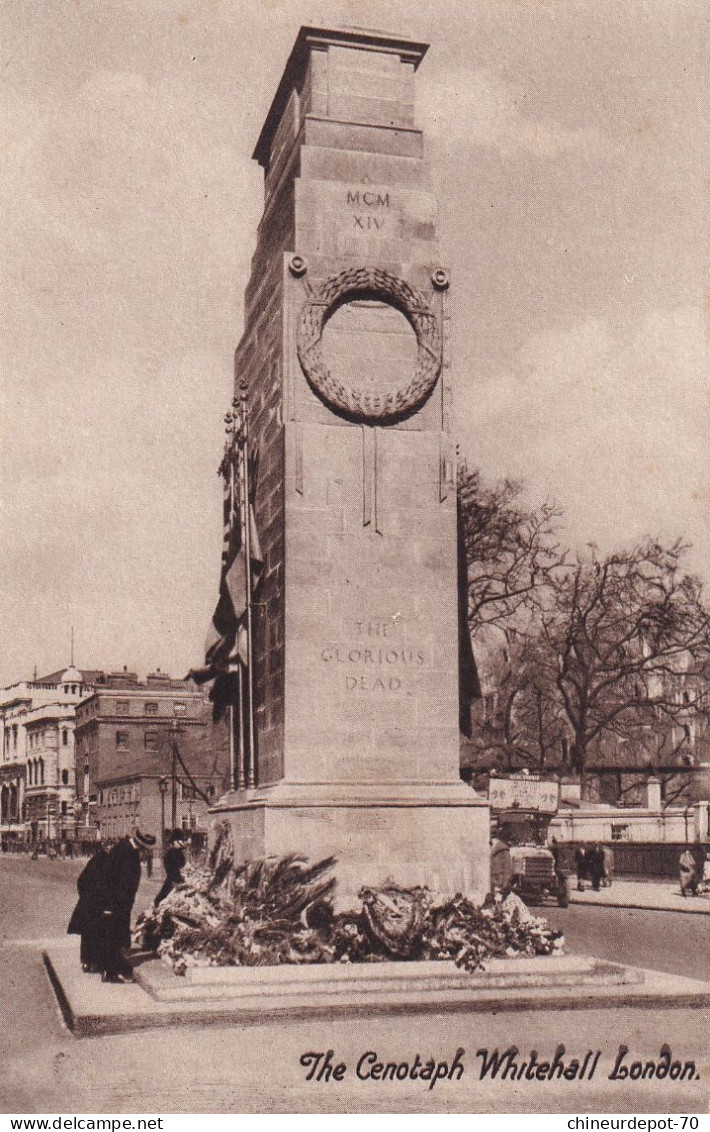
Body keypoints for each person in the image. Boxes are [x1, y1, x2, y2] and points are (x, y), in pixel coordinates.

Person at [101, 829, 156, 982]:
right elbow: (112, 878)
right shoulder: (125, 852)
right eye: (146, 849)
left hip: (120, 902)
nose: (146, 853)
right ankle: (111, 973)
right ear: (141, 844)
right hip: (116, 902)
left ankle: (114, 970)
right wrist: (110, 905)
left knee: (116, 936)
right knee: (114, 937)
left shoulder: (126, 848)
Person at [67, 845, 111, 973]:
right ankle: (96, 962)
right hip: (97, 906)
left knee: (87, 934)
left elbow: (81, 881)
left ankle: (86, 962)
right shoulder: (109, 867)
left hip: (86, 905)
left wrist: (84, 897)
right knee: (98, 933)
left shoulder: (93, 863)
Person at [154, 829, 187, 907]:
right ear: (175, 841)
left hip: (176, 881)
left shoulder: (179, 852)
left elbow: (183, 865)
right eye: (180, 840)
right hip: (173, 883)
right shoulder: (171, 853)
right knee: (163, 900)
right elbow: (172, 871)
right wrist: (179, 879)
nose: (182, 843)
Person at [489, 829, 514, 897]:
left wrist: (505, 885)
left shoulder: (504, 851)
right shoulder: (490, 847)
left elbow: (507, 870)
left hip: (498, 883)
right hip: (492, 882)